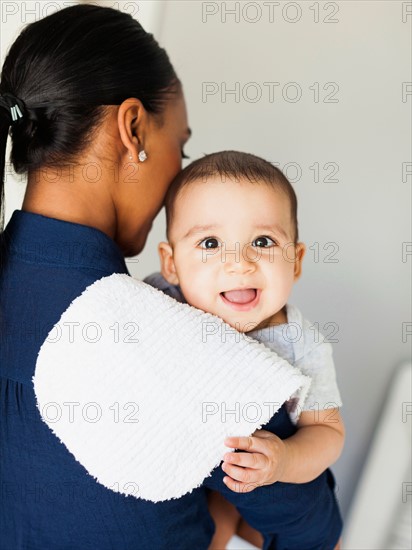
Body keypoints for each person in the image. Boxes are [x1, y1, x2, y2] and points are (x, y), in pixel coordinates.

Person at [0, 4, 217, 548]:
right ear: (133, 126)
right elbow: (311, 525)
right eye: (181, 147)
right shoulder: (169, 340)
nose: (181, 176)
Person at [144, 150, 345, 550]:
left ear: (296, 261)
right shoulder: (159, 300)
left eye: (263, 241)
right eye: (211, 242)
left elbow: (327, 432)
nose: (239, 263)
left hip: (274, 490)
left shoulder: (300, 345)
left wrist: (283, 459)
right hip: (196, 477)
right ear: (171, 264)